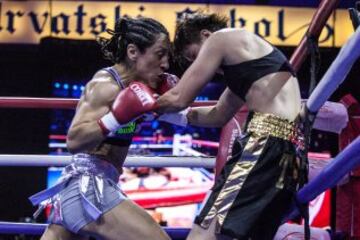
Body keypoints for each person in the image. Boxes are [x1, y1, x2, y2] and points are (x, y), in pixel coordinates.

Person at [156, 13, 305, 240]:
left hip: (263, 146)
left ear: (206, 35)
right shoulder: (249, 65)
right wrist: (170, 117)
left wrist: (143, 105)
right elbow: (217, 115)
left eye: (195, 56)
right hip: (290, 155)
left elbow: (178, 97)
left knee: (202, 235)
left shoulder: (221, 38)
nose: (203, 65)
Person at [29, 16, 173, 240]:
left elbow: (194, 117)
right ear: (133, 52)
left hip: (93, 187)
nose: (165, 63)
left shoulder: (140, 91)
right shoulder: (105, 85)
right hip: (87, 189)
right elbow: (74, 141)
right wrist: (115, 118)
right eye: (160, 54)